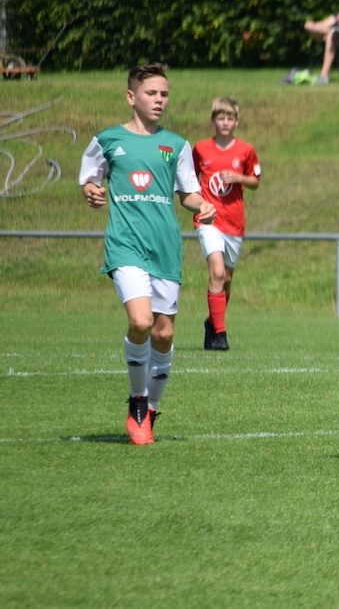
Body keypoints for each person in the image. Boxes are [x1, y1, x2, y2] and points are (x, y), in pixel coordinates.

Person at [79, 63, 216, 445]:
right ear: (131, 97)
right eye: (152, 93)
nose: (159, 100)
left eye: (164, 94)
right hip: (125, 244)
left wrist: (202, 205)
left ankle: (151, 409)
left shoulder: (176, 145)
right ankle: (137, 400)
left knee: (164, 331)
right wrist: (90, 191)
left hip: (165, 247)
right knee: (140, 321)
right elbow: (91, 179)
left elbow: (187, 193)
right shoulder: (107, 140)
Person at [192, 97, 262, 351]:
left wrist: (239, 177)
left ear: (236, 121)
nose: (224, 122)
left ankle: (212, 322)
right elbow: (189, 179)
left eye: (229, 118)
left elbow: (255, 181)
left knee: (227, 278)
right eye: (220, 118)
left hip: (234, 221)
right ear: (212, 121)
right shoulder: (200, 148)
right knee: (217, 272)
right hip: (208, 219)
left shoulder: (245, 150)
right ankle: (220, 334)